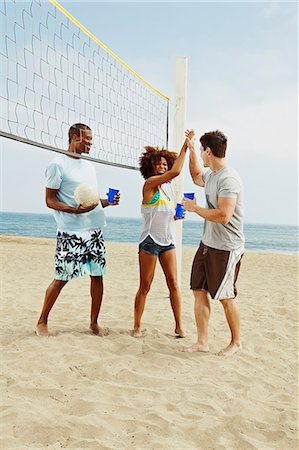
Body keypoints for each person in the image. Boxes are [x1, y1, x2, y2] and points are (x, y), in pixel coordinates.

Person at [36, 123, 120, 337]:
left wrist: (106, 202)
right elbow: (49, 200)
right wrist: (73, 211)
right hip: (71, 232)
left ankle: (94, 323)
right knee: (61, 277)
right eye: (87, 139)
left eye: (92, 139)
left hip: (95, 229)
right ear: (74, 137)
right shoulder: (57, 164)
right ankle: (42, 321)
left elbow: (90, 200)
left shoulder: (90, 166)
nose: (91, 143)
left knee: (97, 276)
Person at [182, 129, 244, 356]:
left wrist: (195, 209)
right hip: (207, 243)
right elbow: (196, 174)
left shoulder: (229, 179)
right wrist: (190, 149)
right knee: (198, 290)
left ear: (208, 151)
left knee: (226, 297)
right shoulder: (211, 175)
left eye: (201, 150)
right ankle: (202, 342)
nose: (201, 154)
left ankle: (236, 342)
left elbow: (223, 215)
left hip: (227, 247)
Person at [133, 140, 188, 338]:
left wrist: (176, 216)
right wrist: (185, 147)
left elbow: (163, 215)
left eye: (166, 164)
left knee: (174, 284)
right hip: (149, 241)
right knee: (145, 286)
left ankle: (179, 326)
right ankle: (137, 326)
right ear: (151, 167)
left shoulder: (165, 192)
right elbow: (175, 172)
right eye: (159, 164)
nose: (163, 167)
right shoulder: (149, 185)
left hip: (167, 242)